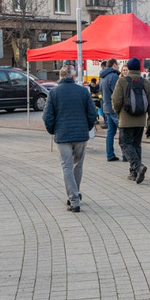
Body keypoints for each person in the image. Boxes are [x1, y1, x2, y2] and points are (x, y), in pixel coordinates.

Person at [43, 64, 100, 213]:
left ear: (60, 77)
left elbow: (47, 116)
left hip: (62, 135)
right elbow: (92, 113)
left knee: (67, 166)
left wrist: (53, 130)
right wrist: (86, 127)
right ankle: (75, 194)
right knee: (78, 165)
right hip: (80, 135)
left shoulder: (54, 93)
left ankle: (74, 199)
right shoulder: (83, 91)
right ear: (74, 77)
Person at [111, 57, 150, 184]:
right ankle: (134, 173)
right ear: (139, 68)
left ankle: (138, 167)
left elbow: (116, 100)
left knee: (124, 144)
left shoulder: (122, 81)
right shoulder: (145, 83)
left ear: (129, 68)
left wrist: (118, 112)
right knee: (136, 145)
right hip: (141, 119)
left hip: (126, 119)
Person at [99, 59, 121, 161]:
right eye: (118, 64)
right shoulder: (114, 76)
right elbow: (117, 94)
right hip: (114, 108)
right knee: (122, 131)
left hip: (106, 107)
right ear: (114, 65)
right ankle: (125, 154)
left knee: (110, 132)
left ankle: (110, 154)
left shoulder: (102, 77)